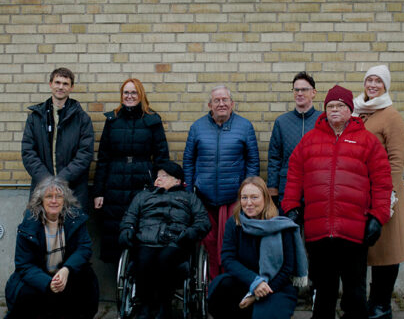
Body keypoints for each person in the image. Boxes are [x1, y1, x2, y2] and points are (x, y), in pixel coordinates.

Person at [282, 85, 392, 319]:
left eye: (340, 106)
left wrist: (377, 216)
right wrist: (291, 206)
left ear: (350, 109)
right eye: (330, 106)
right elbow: (294, 174)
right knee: (323, 292)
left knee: (355, 294)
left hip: (353, 232)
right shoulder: (309, 140)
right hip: (319, 232)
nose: (334, 110)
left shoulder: (367, 141)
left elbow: (382, 181)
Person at [183, 85, 260, 279]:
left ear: (232, 103)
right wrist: (189, 194)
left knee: (230, 244)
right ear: (210, 104)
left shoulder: (244, 126)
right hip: (204, 198)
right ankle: (209, 285)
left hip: (233, 199)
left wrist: (247, 194)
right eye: (217, 100)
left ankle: (230, 282)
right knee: (207, 244)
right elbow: (188, 161)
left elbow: (252, 161)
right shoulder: (197, 127)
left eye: (225, 100)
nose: (221, 104)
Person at [118, 161, 211, 319]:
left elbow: (203, 221)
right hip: (146, 240)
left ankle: (164, 306)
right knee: (144, 259)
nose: (158, 179)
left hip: (176, 242)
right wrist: (127, 229)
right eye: (157, 176)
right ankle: (145, 306)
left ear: (178, 181)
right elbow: (130, 217)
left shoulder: (189, 198)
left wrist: (190, 232)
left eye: (164, 176)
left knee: (165, 259)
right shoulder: (143, 196)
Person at [352, 65, 404, 319]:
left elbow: (396, 161)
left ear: (386, 86)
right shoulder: (357, 112)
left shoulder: (391, 115)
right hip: (359, 192)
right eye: (369, 80)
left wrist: (390, 197)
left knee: (387, 250)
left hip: (386, 193)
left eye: (378, 81)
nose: (372, 85)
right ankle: (365, 302)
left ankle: (381, 304)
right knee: (368, 250)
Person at [93, 78, 169, 263]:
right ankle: (120, 282)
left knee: (141, 229)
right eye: (126, 93)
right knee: (116, 229)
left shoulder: (152, 120)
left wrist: (160, 188)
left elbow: (161, 157)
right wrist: (98, 192)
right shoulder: (112, 120)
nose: (129, 96)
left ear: (140, 95)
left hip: (142, 181)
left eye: (133, 92)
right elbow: (103, 159)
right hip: (114, 183)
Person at [209, 177, 307, 319]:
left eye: (254, 197)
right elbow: (228, 259)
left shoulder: (281, 225)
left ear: (265, 199)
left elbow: (287, 268)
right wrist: (254, 282)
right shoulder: (234, 223)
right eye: (244, 198)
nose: (249, 203)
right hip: (245, 281)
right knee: (220, 287)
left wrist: (256, 294)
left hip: (277, 286)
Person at [4, 178, 99, 319]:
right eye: (49, 196)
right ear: (41, 200)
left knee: (86, 282)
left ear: (64, 200)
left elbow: (84, 248)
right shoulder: (29, 223)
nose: (54, 201)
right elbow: (24, 264)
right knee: (27, 296)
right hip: (39, 276)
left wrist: (66, 270)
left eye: (58, 196)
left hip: (65, 273)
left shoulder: (75, 218)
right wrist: (48, 283)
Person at [22, 67, 95, 210]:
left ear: (71, 87)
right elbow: (28, 152)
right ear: (51, 84)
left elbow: (85, 154)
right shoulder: (35, 118)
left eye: (65, 84)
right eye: (57, 82)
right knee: (40, 230)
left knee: (72, 230)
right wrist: (48, 181)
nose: (61, 87)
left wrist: (60, 180)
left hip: (73, 190)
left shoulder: (82, 119)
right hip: (42, 189)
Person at [267, 71, 322, 209]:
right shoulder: (282, 122)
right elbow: (274, 157)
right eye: (296, 90)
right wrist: (272, 188)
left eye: (304, 89)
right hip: (287, 189)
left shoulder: (323, 120)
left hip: (316, 188)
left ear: (313, 93)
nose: (299, 93)